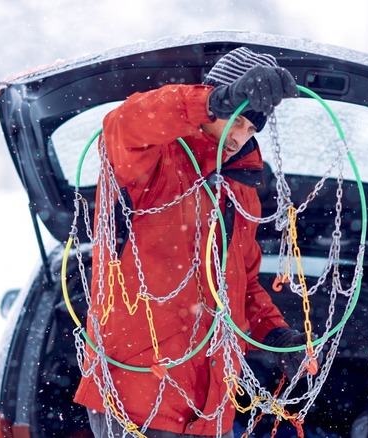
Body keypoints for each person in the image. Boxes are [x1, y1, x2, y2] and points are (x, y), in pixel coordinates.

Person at [73, 47, 311, 438]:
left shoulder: (241, 188)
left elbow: (242, 284)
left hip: (211, 411)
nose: (241, 137)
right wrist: (212, 101)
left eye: (251, 129)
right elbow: (124, 122)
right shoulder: (151, 159)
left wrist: (274, 334)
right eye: (237, 121)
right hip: (137, 402)